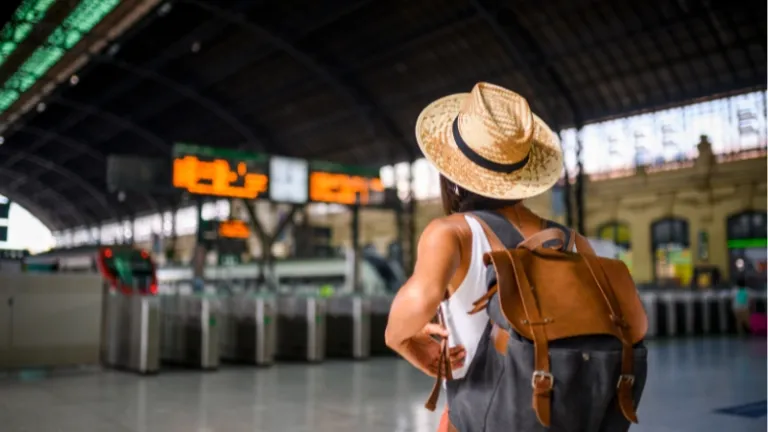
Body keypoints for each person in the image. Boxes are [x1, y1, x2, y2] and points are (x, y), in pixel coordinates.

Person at [385, 82, 646, 431]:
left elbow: (416, 304)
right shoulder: (571, 242)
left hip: (483, 420)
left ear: (451, 168)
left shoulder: (453, 233)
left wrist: (403, 340)